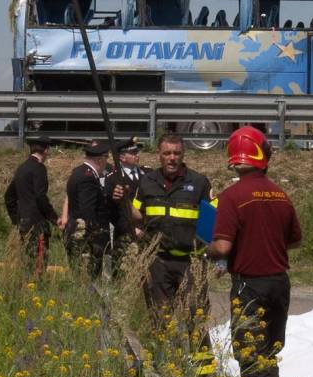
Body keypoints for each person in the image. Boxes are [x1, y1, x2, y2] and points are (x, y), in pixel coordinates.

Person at [206, 126, 302, 377]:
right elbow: (295, 240)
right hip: (279, 283)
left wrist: (207, 251)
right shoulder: (280, 195)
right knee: (269, 352)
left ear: (233, 157)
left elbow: (223, 246)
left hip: (250, 286)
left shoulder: (231, 197)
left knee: (250, 352)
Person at [130, 133, 213, 316]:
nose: (172, 158)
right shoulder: (147, 181)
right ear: (158, 154)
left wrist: (214, 258)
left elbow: (211, 224)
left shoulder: (199, 183)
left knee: (196, 319)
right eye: (167, 153)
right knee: (160, 320)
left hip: (191, 262)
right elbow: (136, 215)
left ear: (183, 155)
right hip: (158, 262)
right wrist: (121, 203)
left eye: (177, 153)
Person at [4, 137, 59, 277]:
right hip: (37, 223)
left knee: (27, 258)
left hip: (24, 222)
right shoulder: (39, 168)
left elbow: (9, 196)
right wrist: (53, 218)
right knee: (39, 262)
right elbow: (40, 196)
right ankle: (35, 289)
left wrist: (16, 218)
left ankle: (27, 287)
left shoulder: (21, 168)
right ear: (46, 150)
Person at [63, 140, 111, 279]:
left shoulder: (79, 171)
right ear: (100, 159)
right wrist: (96, 236)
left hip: (77, 231)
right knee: (88, 278)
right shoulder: (88, 178)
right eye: (106, 158)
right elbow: (87, 211)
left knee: (80, 277)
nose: (106, 163)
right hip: (85, 238)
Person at [105, 137, 147, 270]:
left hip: (146, 230)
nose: (137, 155)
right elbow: (112, 210)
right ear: (122, 157)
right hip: (124, 231)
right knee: (123, 269)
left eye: (137, 152)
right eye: (133, 153)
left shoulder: (148, 174)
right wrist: (131, 228)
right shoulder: (113, 178)